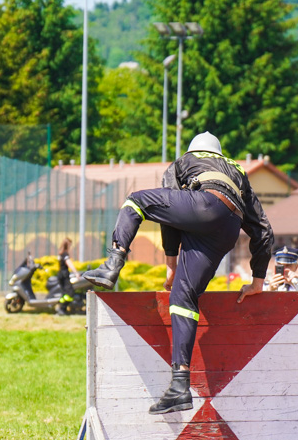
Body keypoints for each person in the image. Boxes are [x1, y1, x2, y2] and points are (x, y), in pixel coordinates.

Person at [83, 131, 273, 414]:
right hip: (228, 227)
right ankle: (179, 386)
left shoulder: (184, 161)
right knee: (183, 298)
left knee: (136, 201)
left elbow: (168, 217)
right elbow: (263, 230)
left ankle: (113, 263)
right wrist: (258, 280)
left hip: (204, 205)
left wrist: (171, 266)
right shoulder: (238, 171)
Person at [56, 238, 79, 316]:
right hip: (64, 275)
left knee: (64, 293)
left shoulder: (60, 253)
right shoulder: (65, 254)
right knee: (70, 293)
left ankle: (62, 309)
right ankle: (62, 308)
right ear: (67, 245)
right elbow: (69, 263)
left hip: (60, 275)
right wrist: (76, 273)